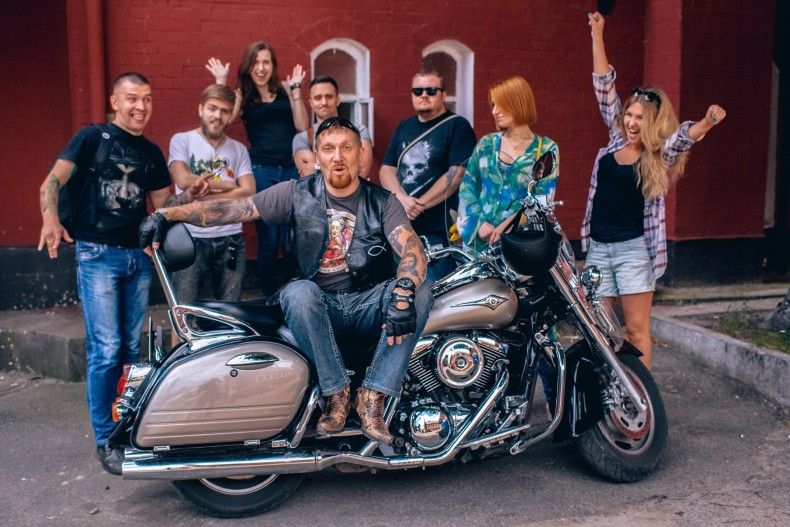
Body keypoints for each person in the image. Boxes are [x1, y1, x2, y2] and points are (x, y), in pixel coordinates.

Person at [139, 117, 432, 445]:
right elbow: (233, 209)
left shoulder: (383, 202)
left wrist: (404, 288)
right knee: (299, 292)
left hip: (366, 303)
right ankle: (336, 393)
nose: (338, 157)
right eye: (329, 149)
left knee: (421, 291)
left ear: (360, 154)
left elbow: (411, 248)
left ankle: (373, 395)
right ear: (317, 156)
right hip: (318, 304)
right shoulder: (297, 193)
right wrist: (167, 214)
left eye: (346, 148)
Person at [37, 72, 209, 475]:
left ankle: (126, 425)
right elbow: (52, 182)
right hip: (97, 255)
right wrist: (49, 218)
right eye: (132, 98)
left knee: (131, 348)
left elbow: (163, 207)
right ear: (115, 102)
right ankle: (105, 438)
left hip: (137, 257)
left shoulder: (149, 152)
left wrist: (189, 195)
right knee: (106, 348)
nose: (140, 107)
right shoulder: (92, 138)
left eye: (147, 99)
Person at [582, 12, 726, 367]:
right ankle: (610, 393)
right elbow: (603, 86)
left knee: (636, 331)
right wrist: (598, 34)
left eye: (640, 117)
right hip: (598, 248)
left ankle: (642, 397)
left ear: (652, 122)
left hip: (632, 253)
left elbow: (682, 138)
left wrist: (707, 122)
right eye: (629, 115)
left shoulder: (657, 155)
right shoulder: (615, 139)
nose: (632, 122)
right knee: (599, 331)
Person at [205, 42, 309, 294]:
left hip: (291, 170)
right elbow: (225, 120)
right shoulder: (243, 94)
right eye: (256, 62)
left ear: (273, 66)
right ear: (249, 66)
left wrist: (295, 90)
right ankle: (269, 294)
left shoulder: (285, 89)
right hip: (262, 171)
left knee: (293, 237)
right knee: (270, 238)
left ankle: (294, 293)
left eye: (266, 62)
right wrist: (221, 81)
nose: (261, 68)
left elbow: (302, 125)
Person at [380, 68, 476, 281]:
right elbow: (386, 169)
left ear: (443, 94)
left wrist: (418, 205)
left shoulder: (457, 126)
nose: (423, 95)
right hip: (401, 227)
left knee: (434, 289)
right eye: (418, 91)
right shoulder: (404, 126)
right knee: (399, 288)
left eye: (431, 91)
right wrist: (401, 200)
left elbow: (456, 174)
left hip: (437, 230)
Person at [168, 84, 255, 312]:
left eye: (224, 111)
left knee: (230, 313)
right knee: (183, 311)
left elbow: (249, 192)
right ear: (201, 109)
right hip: (190, 237)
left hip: (230, 238)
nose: (218, 115)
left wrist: (206, 193)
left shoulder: (238, 149)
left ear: (230, 115)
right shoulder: (182, 140)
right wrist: (228, 185)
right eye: (212, 108)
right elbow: (183, 179)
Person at [457, 76, 559, 251]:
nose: (494, 111)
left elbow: (542, 200)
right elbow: (467, 187)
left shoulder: (546, 149)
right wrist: (479, 223)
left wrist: (506, 228)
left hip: (519, 245)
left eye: (500, 104)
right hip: (479, 244)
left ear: (518, 103)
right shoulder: (486, 144)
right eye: (493, 105)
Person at [292, 75, 373, 178]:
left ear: (338, 100)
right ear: (311, 103)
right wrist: (346, 165)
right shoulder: (302, 138)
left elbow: (362, 170)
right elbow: (309, 173)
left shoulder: (359, 131)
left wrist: (319, 166)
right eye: (318, 98)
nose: (324, 102)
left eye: (329, 96)